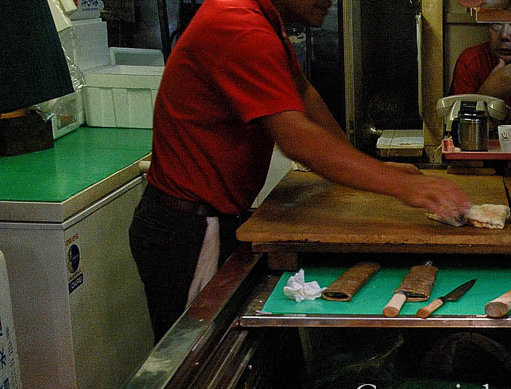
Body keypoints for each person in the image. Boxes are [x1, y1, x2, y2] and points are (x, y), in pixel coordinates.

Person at [129, 0, 471, 340]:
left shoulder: (261, 20)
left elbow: (302, 91)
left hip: (212, 218)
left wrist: (358, 162)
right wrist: (402, 186)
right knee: (193, 359)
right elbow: (295, 138)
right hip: (188, 227)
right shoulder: (238, 24)